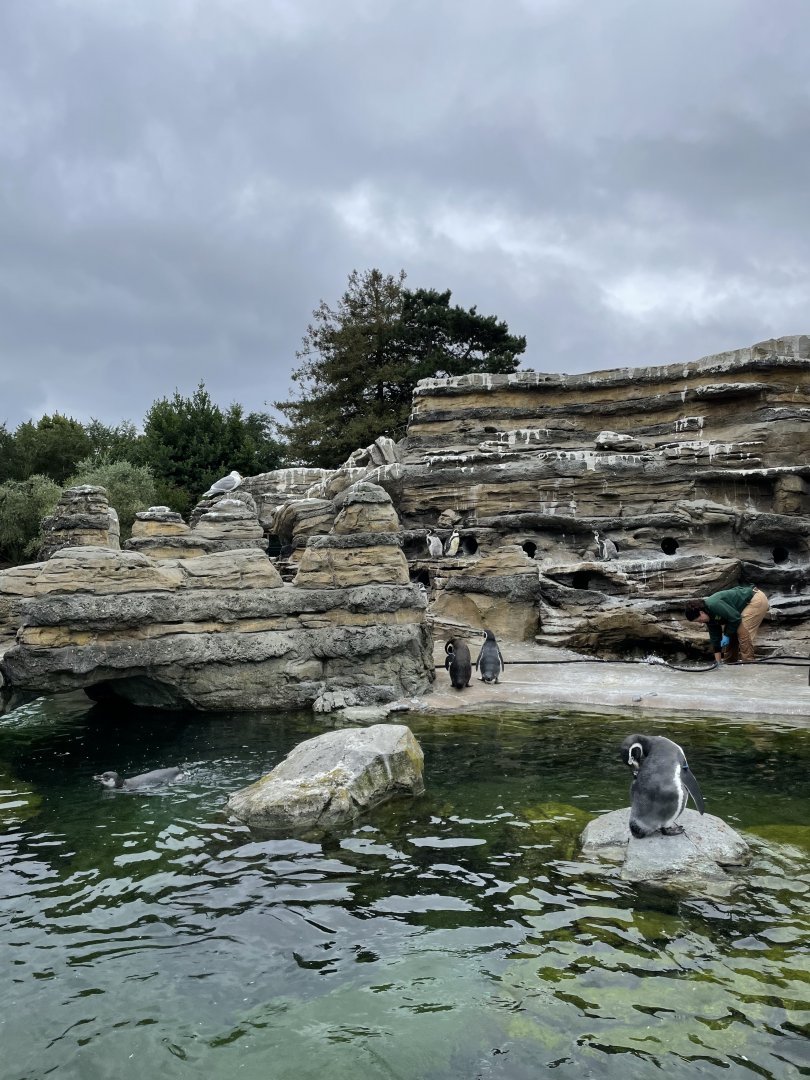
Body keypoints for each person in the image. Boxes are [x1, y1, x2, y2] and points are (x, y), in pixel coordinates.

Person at [684, 585, 769, 664]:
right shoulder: (709, 619)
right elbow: (715, 640)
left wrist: (727, 635)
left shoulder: (713, 605)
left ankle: (748, 663)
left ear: (701, 612)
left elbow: (735, 618)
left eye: (699, 620)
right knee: (730, 632)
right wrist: (718, 663)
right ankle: (729, 663)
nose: (700, 623)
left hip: (755, 599)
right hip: (741, 609)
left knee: (741, 630)